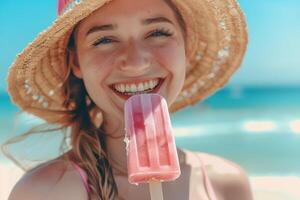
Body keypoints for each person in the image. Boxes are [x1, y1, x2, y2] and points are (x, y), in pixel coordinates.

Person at [4, 0, 252, 199]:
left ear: (186, 47)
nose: (135, 63)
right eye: (104, 40)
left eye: (157, 32)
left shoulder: (227, 186)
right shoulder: (44, 193)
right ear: (76, 62)